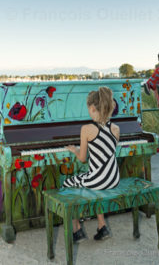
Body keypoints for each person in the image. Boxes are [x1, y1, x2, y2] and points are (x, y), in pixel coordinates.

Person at [63, 87, 120, 243]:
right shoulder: (116, 128)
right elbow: (103, 153)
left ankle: (77, 229)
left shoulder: (87, 129)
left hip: (99, 179)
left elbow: (82, 159)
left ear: (93, 108)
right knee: (94, 184)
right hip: (114, 177)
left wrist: (75, 151)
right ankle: (102, 226)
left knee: (68, 183)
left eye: (89, 109)